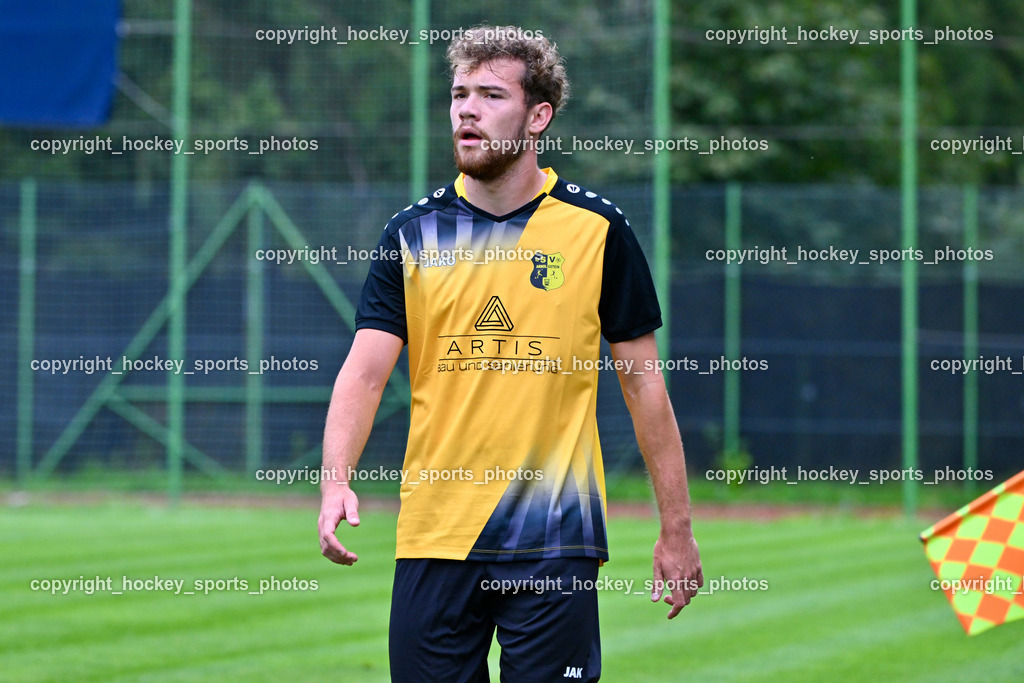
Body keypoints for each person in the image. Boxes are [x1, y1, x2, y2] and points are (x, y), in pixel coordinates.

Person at [318, 24, 702, 682]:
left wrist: (677, 527)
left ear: (538, 116)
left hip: (558, 536)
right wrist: (334, 480)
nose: (467, 108)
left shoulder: (598, 230)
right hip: (436, 533)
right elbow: (365, 371)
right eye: (459, 93)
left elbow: (644, 386)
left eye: (491, 95)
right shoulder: (413, 233)